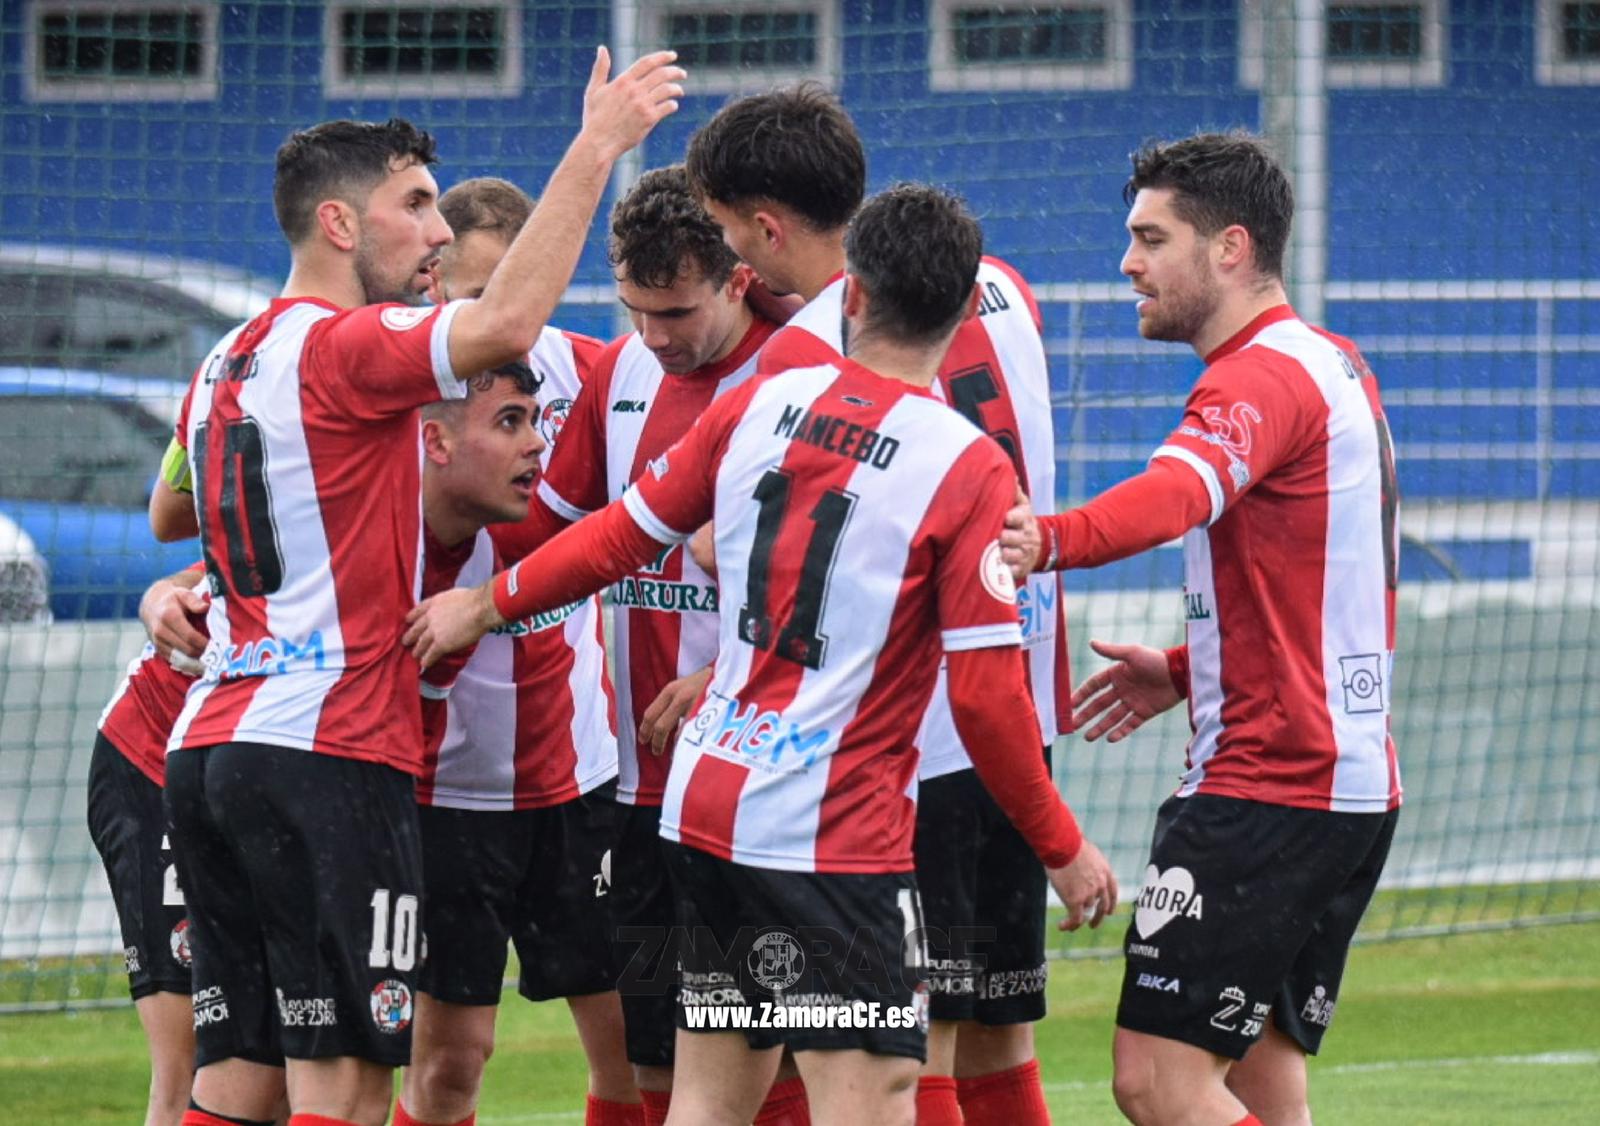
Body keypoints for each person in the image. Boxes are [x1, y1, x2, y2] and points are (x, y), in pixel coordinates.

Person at [402, 183, 1117, 1126]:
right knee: (873, 1089)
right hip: (835, 825)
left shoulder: (764, 404)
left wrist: (488, 602)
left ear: (849, 299)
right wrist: (1060, 844)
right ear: (962, 311)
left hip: (709, 799)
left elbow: (619, 535)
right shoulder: (965, 465)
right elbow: (985, 700)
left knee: (710, 1099)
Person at [160, 51, 684, 1126]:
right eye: (413, 206)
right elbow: (498, 331)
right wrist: (595, 149)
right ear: (342, 226)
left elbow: (194, 516)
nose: (438, 233)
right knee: (348, 1084)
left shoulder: (225, 359)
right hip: (331, 748)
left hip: (213, 739)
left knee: (240, 1078)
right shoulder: (344, 348)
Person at [684, 84, 1071, 1125]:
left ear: (765, 227)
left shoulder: (805, 357)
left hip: (907, 744)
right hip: (1013, 710)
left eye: (727, 235)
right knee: (996, 1033)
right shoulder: (1002, 289)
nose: (731, 265)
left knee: (902, 1054)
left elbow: (757, 549)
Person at [1002, 131, 1402, 1126]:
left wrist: (1035, 540)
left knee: (1157, 1082)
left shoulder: (1256, 379)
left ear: (1229, 247)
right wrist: (1193, 665)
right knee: (1258, 1082)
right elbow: (1336, 578)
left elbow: (1170, 497)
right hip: (1343, 780)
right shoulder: (1332, 362)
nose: (1126, 263)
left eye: (1150, 237)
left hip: (1268, 785)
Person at [482, 164, 787, 1126]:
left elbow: (864, 590)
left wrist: (735, 674)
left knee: (795, 1067)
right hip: (639, 790)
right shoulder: (623, 375)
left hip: (767, 787)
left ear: (739, 277)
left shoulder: (803, 380)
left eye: (677, 312)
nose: (655, 336)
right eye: (634, 310)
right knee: (653, 1066)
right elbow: (548, 536)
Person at [395, 177, 638, 1126]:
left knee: (630, 1043)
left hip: (582, 776)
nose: (505, 319)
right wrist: (177, 587)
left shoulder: (601, 376)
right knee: (452, 1064)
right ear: (434, 292)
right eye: (476, 297)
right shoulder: (401, 397)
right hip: (444, 792)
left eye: (520, 291)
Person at [86, 564, 212, 1126]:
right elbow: (171, 520)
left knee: (272, 1060)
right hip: (151, 764)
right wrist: (160, 597)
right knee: (190, 1060)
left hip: (255, 780)